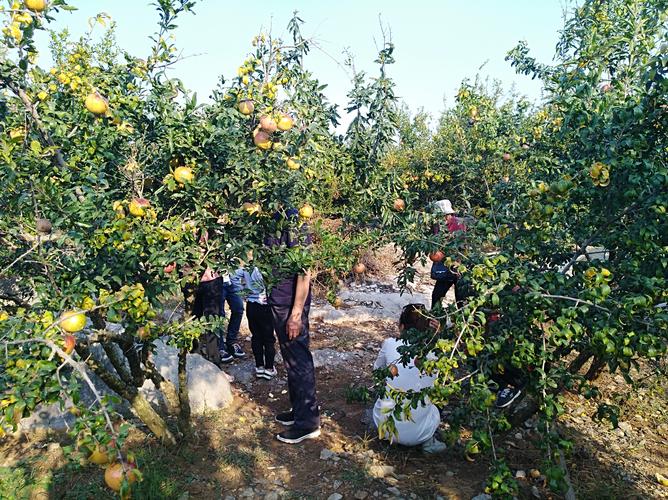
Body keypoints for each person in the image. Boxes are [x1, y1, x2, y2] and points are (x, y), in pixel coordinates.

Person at [266, 208, 320, 444]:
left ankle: (308, 423)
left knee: (299, 359)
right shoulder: (268, 217)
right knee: (291, 358)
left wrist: (296, 314)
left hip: (290, 304)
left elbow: (304, 272)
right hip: (279, 301)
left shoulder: (293, 222)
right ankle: (299, 411)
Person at [372, 303, 446, 453]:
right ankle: (428, 441)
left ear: (402, 326)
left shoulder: (390, 344)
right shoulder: (435, 352)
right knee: (436, 404)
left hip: (385, 429)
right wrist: (439, 336)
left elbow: (377, 371)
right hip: (419, 434)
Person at [238, 265, 277, 380]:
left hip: (251, 305)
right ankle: (269, 368)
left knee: (256, 337)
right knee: (269, 338)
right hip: (265, 304)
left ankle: (259, 366)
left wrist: (242, 291)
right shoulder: (267, 267)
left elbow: (234, 275)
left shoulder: (247, 267)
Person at [430, 199, 467, 309]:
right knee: (437, 296)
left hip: (459, 266)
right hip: (445, 266)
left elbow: (463, 245)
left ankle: (461, 323)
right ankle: (437, 322)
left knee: (461, 299)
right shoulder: (437, 225)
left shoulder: (459, 224)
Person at [219, 269, 246, 362]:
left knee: (238, 309)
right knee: (219, 314)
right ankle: (220, 346)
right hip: (216, 278)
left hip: (233, 278)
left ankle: (231, 341)